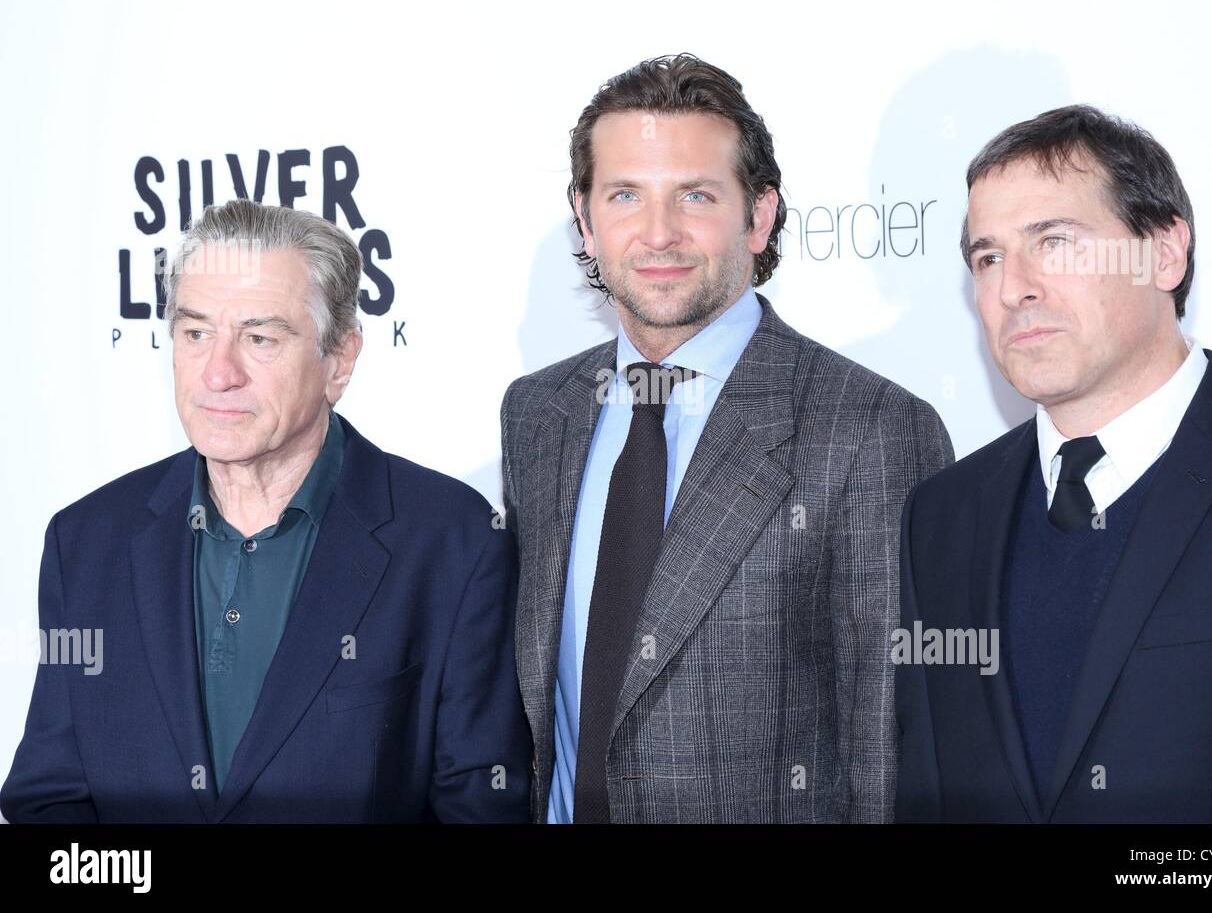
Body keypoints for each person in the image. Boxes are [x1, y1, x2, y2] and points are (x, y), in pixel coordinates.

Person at [502, 54, 953, 823]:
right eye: (625, 195)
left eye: (696, 195)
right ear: (585, 218)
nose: (658, 233)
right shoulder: (538, 415)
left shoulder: (869, 429)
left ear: (760, 214)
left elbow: (890, 753)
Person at [1, 199, 529, 822]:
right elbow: (50, 797)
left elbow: (480, 807)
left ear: (339, 361)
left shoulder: (453, 542)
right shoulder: (86, 542)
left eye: (260, 339)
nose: (218, 374)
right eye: (196, 334)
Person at [895, 105, 1212, 822]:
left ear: (1164, 254)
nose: (1013, 288)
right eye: (988, 258)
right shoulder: (942, 515)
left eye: (1053, 242)